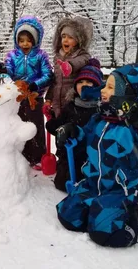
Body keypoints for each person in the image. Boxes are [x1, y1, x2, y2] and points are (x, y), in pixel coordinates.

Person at [55, 63, 138, 248]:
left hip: (119, 189)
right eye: (105, 85)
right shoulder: (100, 118)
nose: (102, 90)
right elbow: (87, 135)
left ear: (128, 94)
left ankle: (136, 210)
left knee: (107, 234)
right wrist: (73, 131)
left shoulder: (137, 127)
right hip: (92, 183)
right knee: (68, 217)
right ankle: (98, 207)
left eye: (110, 87)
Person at [46, 58, 103, 191]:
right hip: (69, 154)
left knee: (86, 185)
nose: (84, 85)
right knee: (61, 184)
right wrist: (53, 122)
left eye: (89, 82)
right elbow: (58, 124)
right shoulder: (71, 106)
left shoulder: (100, 110)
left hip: (89, 156)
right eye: (81, 82)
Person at [5, 15, 53, 170]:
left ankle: (38, 155)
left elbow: (48, 75)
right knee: (19, 125)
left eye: (29, 40)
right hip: (17, 98)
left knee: (35, 125)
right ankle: (22, 155)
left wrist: (35, 85)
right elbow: (8, 72)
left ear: (35, 40)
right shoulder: (12, 56)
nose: (25, 43)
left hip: (34, 97)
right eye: (21, 40)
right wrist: (6, 75)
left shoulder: (41, 56)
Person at [44, 16, 93, 118]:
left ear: (78, 40)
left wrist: (69, 66)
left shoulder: (83, 56)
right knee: (59, 130)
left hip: (73, 103)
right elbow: (55, 82)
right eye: (63, 36)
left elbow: (80, 62)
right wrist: (49, 99)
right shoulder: (57, 57)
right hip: (58, 103)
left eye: (70, 37)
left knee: (70, 130)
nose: (65, 40)